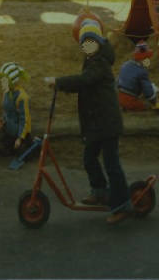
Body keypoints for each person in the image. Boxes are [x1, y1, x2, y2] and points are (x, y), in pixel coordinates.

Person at [44, 18, 134, 224]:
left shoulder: (100, 63)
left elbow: (84, 80)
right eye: (85, 43)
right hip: (97, 122)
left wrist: (59, 82)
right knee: (89, 158)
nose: (88, 47)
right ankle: (101, 192)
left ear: (99, 42)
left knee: (112, 165)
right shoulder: (92, 60)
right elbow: (83, 81)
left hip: (107, 123)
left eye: (91, 42)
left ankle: (123, 205)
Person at [0, 62, 36, 159]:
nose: (1, 82)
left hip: (20, 134)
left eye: (4, 80)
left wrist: (20, 138)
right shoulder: (6, 92)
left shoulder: (22, 97)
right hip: (8, 131)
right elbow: (6, 110)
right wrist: (2, 121)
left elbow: (25, 119)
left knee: (22, 155)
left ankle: (33, 143)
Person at [117, 40, 159, 111]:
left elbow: (118, 81)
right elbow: (147, 90)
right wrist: (154, 100)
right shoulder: (142, 72)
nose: (148, 61)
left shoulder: (125, 64)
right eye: (147, 58)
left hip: (118, 97)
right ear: (143, 59)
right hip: (130, 100)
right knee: (143, 106)